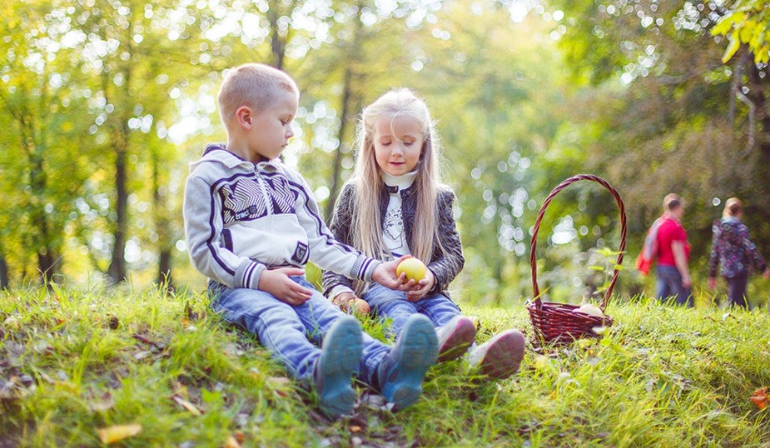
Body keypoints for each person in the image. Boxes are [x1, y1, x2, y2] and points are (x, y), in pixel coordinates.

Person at [183, 64, 439, 420]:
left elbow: (321, 242)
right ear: (246, 118)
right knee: (276, 318)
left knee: (334, 322)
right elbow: (205, 251)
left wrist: (373, 269)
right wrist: (261, 278)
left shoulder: (290, 179)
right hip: (238, 287)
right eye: (284, 120)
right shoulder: (209, 178)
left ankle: (389, 370)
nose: (291, 131)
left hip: (296, 282)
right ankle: (317, 373)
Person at [322, 88, 525, 380]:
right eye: (386, 142)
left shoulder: (438, 197)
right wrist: (340, 291)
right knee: (398, 311)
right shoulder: (355, 193)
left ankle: (474, 359)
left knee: (446, 313)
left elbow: (453, 256)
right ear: (371, 144)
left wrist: (432, 277)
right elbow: (334, 251)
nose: (396, 151)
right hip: (378, 287)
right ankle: (419, 348)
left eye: (407, 142)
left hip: (425, 286)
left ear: (423, 144)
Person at [707, 197, 769, 308]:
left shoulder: (719, 228)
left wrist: (712, 274)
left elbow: (715, 252)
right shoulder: (740, 228)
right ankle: (722, 320)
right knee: (734, 301)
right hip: (739, 269)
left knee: (742, 300)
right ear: (740, 212)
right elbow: (751, 248)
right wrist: (763, 267)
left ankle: (750, 322)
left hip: (725, 269)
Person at [653, 193, 693, 307]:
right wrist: (685, 275)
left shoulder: (660, 225)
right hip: (673, 268)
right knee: (685, 301)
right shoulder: (675, 227)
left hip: (661, 267)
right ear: (676, 208)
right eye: (681, 208)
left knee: (661, 299)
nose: (682, 211)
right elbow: (678, 253)